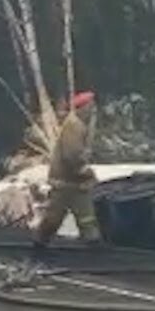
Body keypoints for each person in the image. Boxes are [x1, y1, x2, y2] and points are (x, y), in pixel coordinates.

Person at [33, 90, 102, 251]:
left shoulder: (80, 125)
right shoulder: (74, 126)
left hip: (75, 183)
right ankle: (40, 242)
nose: (93, 112)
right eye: (91, 108)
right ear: (83, 108)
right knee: (54, 216)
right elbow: (72, 155)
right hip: (64, 181)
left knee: (86, 215)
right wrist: (86, 171)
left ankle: (93, 242)